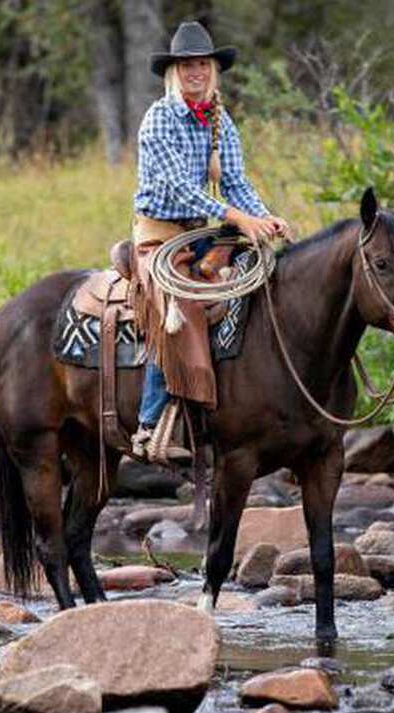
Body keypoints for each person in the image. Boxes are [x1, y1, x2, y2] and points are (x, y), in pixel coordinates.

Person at [129, 20, 289, 461]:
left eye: (202, 64)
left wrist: (263, 217)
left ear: (212, 70)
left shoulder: (219, 118)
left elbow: (235, 181)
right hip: (159, 235)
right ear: (174, 73)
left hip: (201, 231)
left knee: (263, 276)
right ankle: (149, 425)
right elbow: (180, 187)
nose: (195, 73)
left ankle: (255, 401)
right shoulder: (159, 118)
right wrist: (238, 217)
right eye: (186, 66)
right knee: (179, 308)